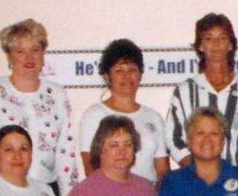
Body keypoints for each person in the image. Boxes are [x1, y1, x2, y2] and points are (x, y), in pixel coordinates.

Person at [0, 17, 80, 194]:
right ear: (9, 55)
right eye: (20, 51)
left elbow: (66, 155)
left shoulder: (58, 94)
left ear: (43, 53)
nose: (29, 57)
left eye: (35, 49)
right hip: (4, 190)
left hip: (46, 191)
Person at [166, 12, 238, 169]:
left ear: (230, 45)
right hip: (196, 184)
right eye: (209, 38)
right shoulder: (185, 91)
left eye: (222, 38)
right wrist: (197, 174)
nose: (216, 44)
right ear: (200, 46)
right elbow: (174, 138)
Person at [71, 37, 168, 181]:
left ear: (140, 74)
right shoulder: (94, 115)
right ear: (107, 76)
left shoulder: (153, 117)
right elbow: (91, 168)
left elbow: (163, 170)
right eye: (119, 70)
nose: (126, 76)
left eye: (132, 69)